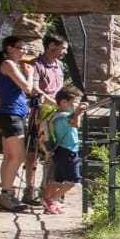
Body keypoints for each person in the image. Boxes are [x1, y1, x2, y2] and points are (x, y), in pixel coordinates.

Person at [0, 36, 40, 211]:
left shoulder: (11, 65)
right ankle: (6, 195)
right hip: (10, 114)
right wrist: (30, 75)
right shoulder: (9, 65)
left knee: (9, 156)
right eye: (22, 48)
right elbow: (27, 88)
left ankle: (5, 195)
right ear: (10, 48)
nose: (25, 52)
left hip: (12, 114)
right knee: (18, 156)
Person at [23, 33, 68, 205]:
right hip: (39, 113)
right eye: (62, 48)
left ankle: (45, 190)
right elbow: (34, 88)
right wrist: (53, 102)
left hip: (56, 114)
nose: (64, 52)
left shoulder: (60, 65)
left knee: (51, 152)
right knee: (33, 152)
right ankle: (29, 188)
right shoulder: (36, 64)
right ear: (51, 46)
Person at [41, 85, 87, 214]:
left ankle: (48, 202)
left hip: (62, 150)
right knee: (74, 181)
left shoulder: (58, 115)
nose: (77, 104)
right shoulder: (62, 117)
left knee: (58, 180)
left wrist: (77, 111)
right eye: (75, 101)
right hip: (68, 151)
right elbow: (76, 124)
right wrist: (78, 113)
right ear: (64, 102)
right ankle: (52, 200)